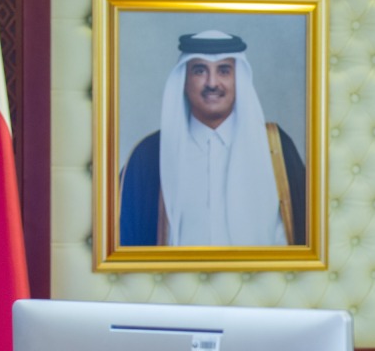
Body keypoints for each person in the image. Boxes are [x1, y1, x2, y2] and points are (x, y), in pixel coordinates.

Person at [118, 30, 306, 247]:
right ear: (184, 80)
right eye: (200, 71)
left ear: (239, 80)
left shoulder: (275, 148)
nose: (212, 83)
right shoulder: (149, 155)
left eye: (224, 71)